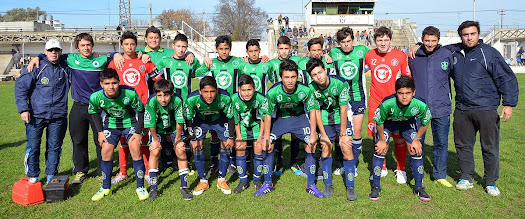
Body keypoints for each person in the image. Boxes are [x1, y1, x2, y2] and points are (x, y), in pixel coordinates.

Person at [27, 33, 127, 184]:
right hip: (78, 106)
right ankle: (80, 171)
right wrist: (38, 57)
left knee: (101, 140)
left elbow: (114, 56)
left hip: (98, 107)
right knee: (78, 140)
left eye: (88, 45)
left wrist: (116, 54)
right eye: (82, 45)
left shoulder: (101, 60)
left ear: (92, 45)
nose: (86, 48)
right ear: (77, 47)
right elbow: (51, 54)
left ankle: (102, 171)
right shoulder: (70, 59)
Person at [446, 21, 518, 196]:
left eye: (473, 34)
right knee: (463, 145)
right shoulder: (455, 51)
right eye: (466, 34)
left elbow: (506, 78)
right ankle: (466, 177)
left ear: (478, 34)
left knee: (489, 146)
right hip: (462, 109)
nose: (469, 37)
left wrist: (508, 104)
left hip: (486, 109)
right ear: (461, 36)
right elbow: (435, 48)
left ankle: (491, 182)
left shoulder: (489, 53)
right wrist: (418, 47)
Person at [259, 59, 320, 197]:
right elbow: (267, 115)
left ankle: (311, 185)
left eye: (293, 76)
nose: (290, 80)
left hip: (299, 119)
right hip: (280, 119)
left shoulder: (305, 90)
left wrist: (312, 135)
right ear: (281, 78)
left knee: (311, 146)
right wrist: (266, 136)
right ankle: (268, 183)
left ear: (297, 76)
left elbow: (312, 111)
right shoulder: (273, 91)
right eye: (286, 77)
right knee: (267, 146)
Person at [107, 31, 159, 185]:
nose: (129, 47)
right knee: (123, 140)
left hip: (141, 107)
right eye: (126, 44)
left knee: (141, 139)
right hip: (121, 108)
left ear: (136, 45)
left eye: (132, 44)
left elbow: (158, 81)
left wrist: (156, 100)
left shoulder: (144, 60)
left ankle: (149, 171)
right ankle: (123, 172)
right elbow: (107, 83)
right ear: (121, 45)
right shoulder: (115, 62)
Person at [15, 39, 69, 184]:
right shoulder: (37, 66)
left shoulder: (65, 65)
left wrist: (114, 54)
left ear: (60, 52)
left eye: (56, 50)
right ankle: (33, 176)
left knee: (54, 148)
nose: (53, 52)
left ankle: (51, 175)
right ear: (45, 52)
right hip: (36, 116)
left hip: (58, 116)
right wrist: (24, 109)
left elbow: (83, 56)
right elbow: (20, 88)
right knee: (33, 147)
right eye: (50, 50)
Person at [88, 68, 148, 201]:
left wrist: (138, 132)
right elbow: (94, 113)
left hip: (130, 124)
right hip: (111, 125)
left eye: (114, 83)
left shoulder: (130, 93)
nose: (111, 87)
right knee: (106, 151)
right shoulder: (95, 97)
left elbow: (141, 111)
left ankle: (140, 187)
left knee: (135, 149)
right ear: (101, 84)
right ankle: (105, 188)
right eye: (107, 83)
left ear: (119, 82)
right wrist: (100, 132)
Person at [370, 76, 432, 202]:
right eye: (401, 93)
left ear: (413, 92)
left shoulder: (420, 104)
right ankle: (376, 186)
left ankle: (419, 187)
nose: (404, 97)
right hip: (388, 124)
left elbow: (425, 122)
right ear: (396, 93)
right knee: (380, 150)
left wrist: (417, 139)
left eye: (408, 93)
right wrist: (382, 141)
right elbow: (379, 122)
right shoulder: (387, 103)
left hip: (407, 123)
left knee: (415, 149)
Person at [408, 26, 454, 188]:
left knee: (441, 143)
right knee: (416, 141)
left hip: (441, 107)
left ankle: (440, 175)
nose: (429, 44)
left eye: (433, 41)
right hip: (419, 109)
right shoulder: (413, 56)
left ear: (438, 40)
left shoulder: (446, 55)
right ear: (422, 39)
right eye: (426, 40)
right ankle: (416, 173)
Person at [365, 26, 411, 183]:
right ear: (375, 40)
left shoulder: (400, 56)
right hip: (375, 103)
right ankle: (382, 167)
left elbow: (407, 79)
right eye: (379, 40)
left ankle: (401, 169)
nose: (383, 43)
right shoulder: (369, 55)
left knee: (399, 137)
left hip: (395, 104)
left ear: (391, 40)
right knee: (378, 136)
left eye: (386, 40)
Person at [306, 58, 356, 200]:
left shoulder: (340, 83)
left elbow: (343, 108)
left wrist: (343, 132)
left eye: (320, 72)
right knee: (326, 146)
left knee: (346, 147)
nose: (319, 77)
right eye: (314, 75)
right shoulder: (311, 88)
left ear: (325, 70)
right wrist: (323, 134)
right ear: (311, 77)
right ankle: (328, 184)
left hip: (341, 118)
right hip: (325, 119)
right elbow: (315, 111)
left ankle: (351, 187)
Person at [154, 33, 202, 177]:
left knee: (187, 134)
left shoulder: (191, 62)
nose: (181, 50)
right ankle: (168, 163)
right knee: (168, 133)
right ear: (173, 46)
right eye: (179, 46)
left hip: (186, 104)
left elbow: (203, 73)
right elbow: (151, 74)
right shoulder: (165, 62)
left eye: (184, 47)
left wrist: (197, 57)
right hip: (168, 105)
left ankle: (188, 163)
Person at [328, 27, 370, 177]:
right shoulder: (333, 52)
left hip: (358, 96)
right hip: (341, 99)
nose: (346, 44)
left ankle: (352, 165)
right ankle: (343, 163)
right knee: (343, 132)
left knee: (357, 132)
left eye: (348, 41)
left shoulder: (363, 50)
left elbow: (379, 54)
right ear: (338, 42)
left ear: (353, 39)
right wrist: (326, 57)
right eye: (343, 42)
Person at [184, 76, 236, 196]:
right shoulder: (192, 99)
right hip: (200, 121)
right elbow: (188, 119)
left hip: (219, 120)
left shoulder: (225, 97)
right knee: (197, 146)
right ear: (200, 91)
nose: (209, 95)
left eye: (212, 91)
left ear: (217, 90)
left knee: (226, 145)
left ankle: (221, 179)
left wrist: (231, 137)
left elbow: (231, 117)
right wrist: (192, 138)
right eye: (206, 92)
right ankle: (203, 181)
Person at [144, 79, 188, 200]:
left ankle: (184, 187)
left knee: (180, 150)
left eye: (166, 95)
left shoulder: (178, 100)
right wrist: (156, 140)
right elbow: (150, 124)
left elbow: (180, 121)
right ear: (155, 94)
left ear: (171, 94)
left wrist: (178, 139)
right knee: (155, 150)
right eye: (159, 95)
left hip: (174, 128)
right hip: (157, 129)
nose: (163, 99)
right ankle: (153, 188)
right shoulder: (151, 101)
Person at [268, 36, 303, 175]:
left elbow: (313, 62)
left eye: (286, 48)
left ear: (290, 49)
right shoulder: (271, 63)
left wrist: (326, 56)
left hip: (294, 101)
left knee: (295, 134)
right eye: (281, 49)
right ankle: (279, 162)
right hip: (278, 102)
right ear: (277, 49)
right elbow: (270, 78)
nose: (284, 51)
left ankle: (294, 162)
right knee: (276, 134)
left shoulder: (298, 61)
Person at [231, 75, 266, 194]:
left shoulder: (260, 98)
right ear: (239, 90)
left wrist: (261, 135)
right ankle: (243, 181)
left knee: (259, 148)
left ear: (254, 89)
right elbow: (236, 119)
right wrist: (239, 137)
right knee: (240, 148)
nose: (247, 93)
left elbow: (263, 118)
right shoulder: (234, 99)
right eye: (243, 90)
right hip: (242, 127)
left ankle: (257, 179)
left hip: (256, 127)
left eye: (249, 90)